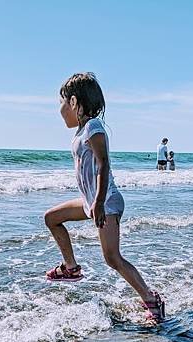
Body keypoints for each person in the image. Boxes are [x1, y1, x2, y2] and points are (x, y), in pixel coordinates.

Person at [43, 72, 165, 322]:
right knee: (52, 218)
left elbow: (104, 163)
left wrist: (98, 202)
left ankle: (152, 301)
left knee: (112, 257)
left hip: (105, 201)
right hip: (93, 202)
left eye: (62, 103)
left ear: (74, 102)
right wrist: (93, 202)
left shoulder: (93, 127)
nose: (60, 109)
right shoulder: (80, 131)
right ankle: (70, 268)